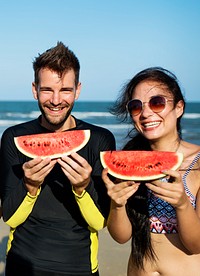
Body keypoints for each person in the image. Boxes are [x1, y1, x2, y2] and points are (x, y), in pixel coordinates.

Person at [0, 42, 116, 276]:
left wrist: (82, 188)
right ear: (35, 89)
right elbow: (10, 217)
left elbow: (99, 223)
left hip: (80, 268)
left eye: (65, 90)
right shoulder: (13, 137)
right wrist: (30, 186)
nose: (55, 100)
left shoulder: (100, 140)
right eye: (46, 90)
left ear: (78, 90)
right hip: (22, 265)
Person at [102, 67, 200, 276]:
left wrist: (182, 205)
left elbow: (196, 246)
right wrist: (117, 205)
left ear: (179, 108)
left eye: (157, 102)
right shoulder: (128, 162)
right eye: (136, 107)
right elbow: (121, 237)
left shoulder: (198, 164)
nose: (146, 113)